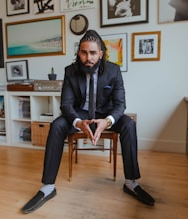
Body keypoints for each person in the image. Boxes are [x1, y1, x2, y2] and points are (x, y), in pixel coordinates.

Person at [21, 29, 155, 214]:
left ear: (101, 53)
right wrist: (77, 122)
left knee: (128, 124)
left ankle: (131, 183)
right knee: (57, 125)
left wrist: (106, 122)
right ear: (79, 53)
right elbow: (66, 105)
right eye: (84, 52)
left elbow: (120, 104)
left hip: (104, 115)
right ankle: (48, 187)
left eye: (93, 53)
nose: (88, 58)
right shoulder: (70, 71)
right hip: (80, 114)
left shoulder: (114, 71)